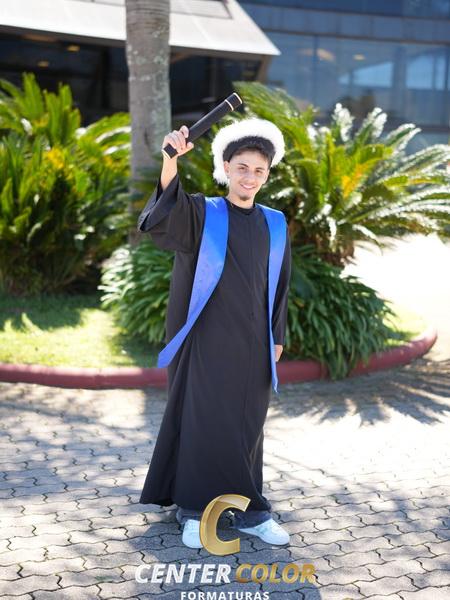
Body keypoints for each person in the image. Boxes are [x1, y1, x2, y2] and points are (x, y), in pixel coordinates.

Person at [137, 117, 292, 549]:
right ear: (226, 167)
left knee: (248, 427)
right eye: (242, 168)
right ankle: (193, 509)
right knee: (202, 421)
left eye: (259, 170)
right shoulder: (205, 213)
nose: (250, 177)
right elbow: (166, 214)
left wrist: (277, 336)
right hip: (205, 339)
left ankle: (251, 510)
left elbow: (280, 285)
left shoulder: (275, 222)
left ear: (267, 174)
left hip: (254, 344)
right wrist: (171, 161)